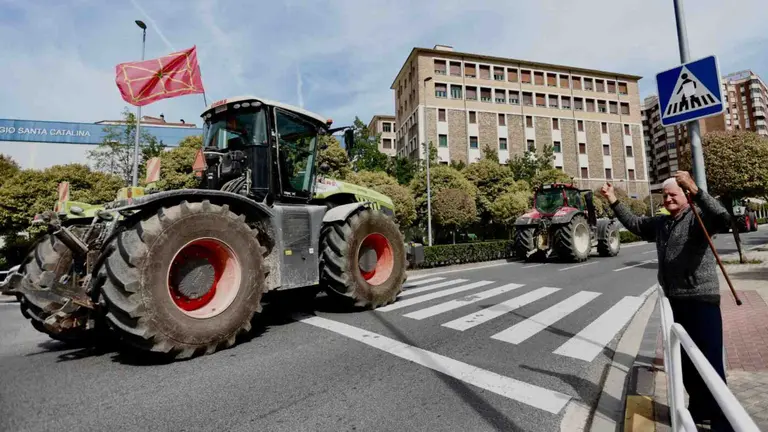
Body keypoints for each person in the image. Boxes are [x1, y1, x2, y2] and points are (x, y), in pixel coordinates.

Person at [600, 171, 733, 431]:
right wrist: (614, 199)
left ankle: (723, 420)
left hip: (700, 299)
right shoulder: (663, 223)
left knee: (709, 361)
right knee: (686, 362)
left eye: (674, 193)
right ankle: (701, 408)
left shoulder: (697, 218)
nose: (668, 198)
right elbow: (636, 224)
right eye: (665, 195)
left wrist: (695, 189)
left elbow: (722, 217)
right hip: (676, 300)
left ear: (685, 195)